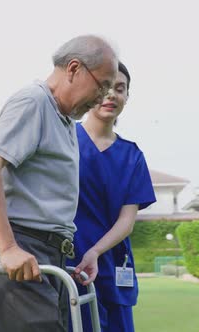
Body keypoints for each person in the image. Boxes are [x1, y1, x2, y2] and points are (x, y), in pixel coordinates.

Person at [0, 35, 118, 332]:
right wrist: (9, 247)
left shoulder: (64, 120)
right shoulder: (34, 101)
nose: (103, 97)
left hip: (49, 253)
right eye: (101, 85)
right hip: (20, 247)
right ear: (74, 69)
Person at [68, 62, 156, 332]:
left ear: (127, 97)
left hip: (113, 265)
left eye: (120, 89)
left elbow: (126, 221)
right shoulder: (64, 140)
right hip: (68, 262)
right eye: (105, 86)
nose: (111, 95)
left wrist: (95, 251)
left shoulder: (132, 156)